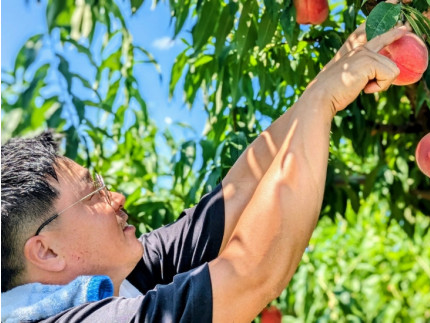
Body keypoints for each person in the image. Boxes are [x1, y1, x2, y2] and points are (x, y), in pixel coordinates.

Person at [1, 23, 407, 322]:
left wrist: (341, 64)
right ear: (46, 251)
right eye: (94, 195)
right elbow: (247, 276)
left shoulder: (119, 274)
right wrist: (323, 101)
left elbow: (240, 189)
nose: (118, 198)